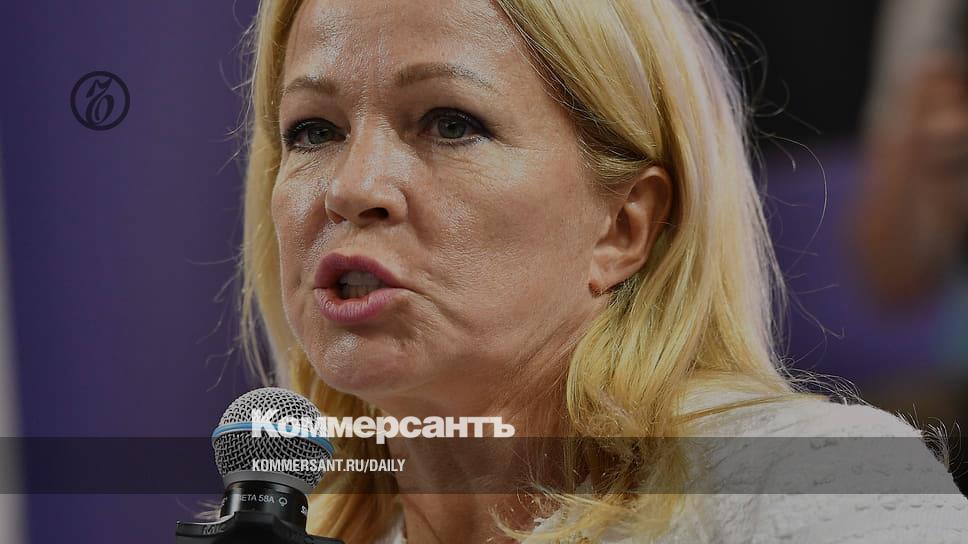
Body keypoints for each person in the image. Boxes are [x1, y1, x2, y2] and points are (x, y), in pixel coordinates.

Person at [235, 0, 968, 542]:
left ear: (624, 227)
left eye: (451, 123)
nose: (351, 187)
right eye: (314, 131)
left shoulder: (812, 490)